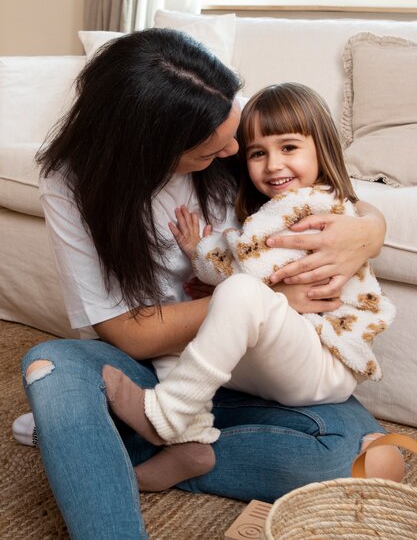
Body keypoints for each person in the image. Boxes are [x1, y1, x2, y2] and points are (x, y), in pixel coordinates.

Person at [19, 30, 400, 540]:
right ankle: (119, 438)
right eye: (210, 150)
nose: (237, 149)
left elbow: (320, 181)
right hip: (156, 369)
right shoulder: (71, 183)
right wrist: (269, 296)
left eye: (234, 131)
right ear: (149, 149)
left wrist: (369, 229)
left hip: (248, 371)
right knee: (52, 366)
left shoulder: (225, 118)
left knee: (364, 459)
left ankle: (104, 445)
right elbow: (129, 336)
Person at [102, 83, 400, 491]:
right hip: (291, 352)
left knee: (239, 293)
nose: (273, 165)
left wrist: (201, 253)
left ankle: (170, 414)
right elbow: (255, 266)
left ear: (322, 149)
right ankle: (190, 439)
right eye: (258, 153)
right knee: (179, 332)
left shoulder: (313, 207)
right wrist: (207, 261)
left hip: (324, 359)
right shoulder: (275, 210)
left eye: (289, 148)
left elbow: (253, 273)